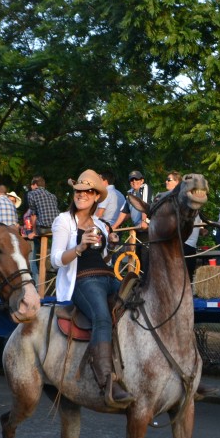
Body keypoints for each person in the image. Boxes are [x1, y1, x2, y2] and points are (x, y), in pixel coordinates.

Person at [50, 169, 132, 408]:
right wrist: (79, 247)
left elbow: (104, 258)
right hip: (83, 281)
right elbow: (55, 260)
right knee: (102, 318)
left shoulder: (101, 224)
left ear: (96, 196)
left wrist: (112, 243)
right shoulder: (64, 220)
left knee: (139, 303)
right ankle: (106, 379)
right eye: (78, 191)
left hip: (106, 276)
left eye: (87, 191)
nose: (81, 195)